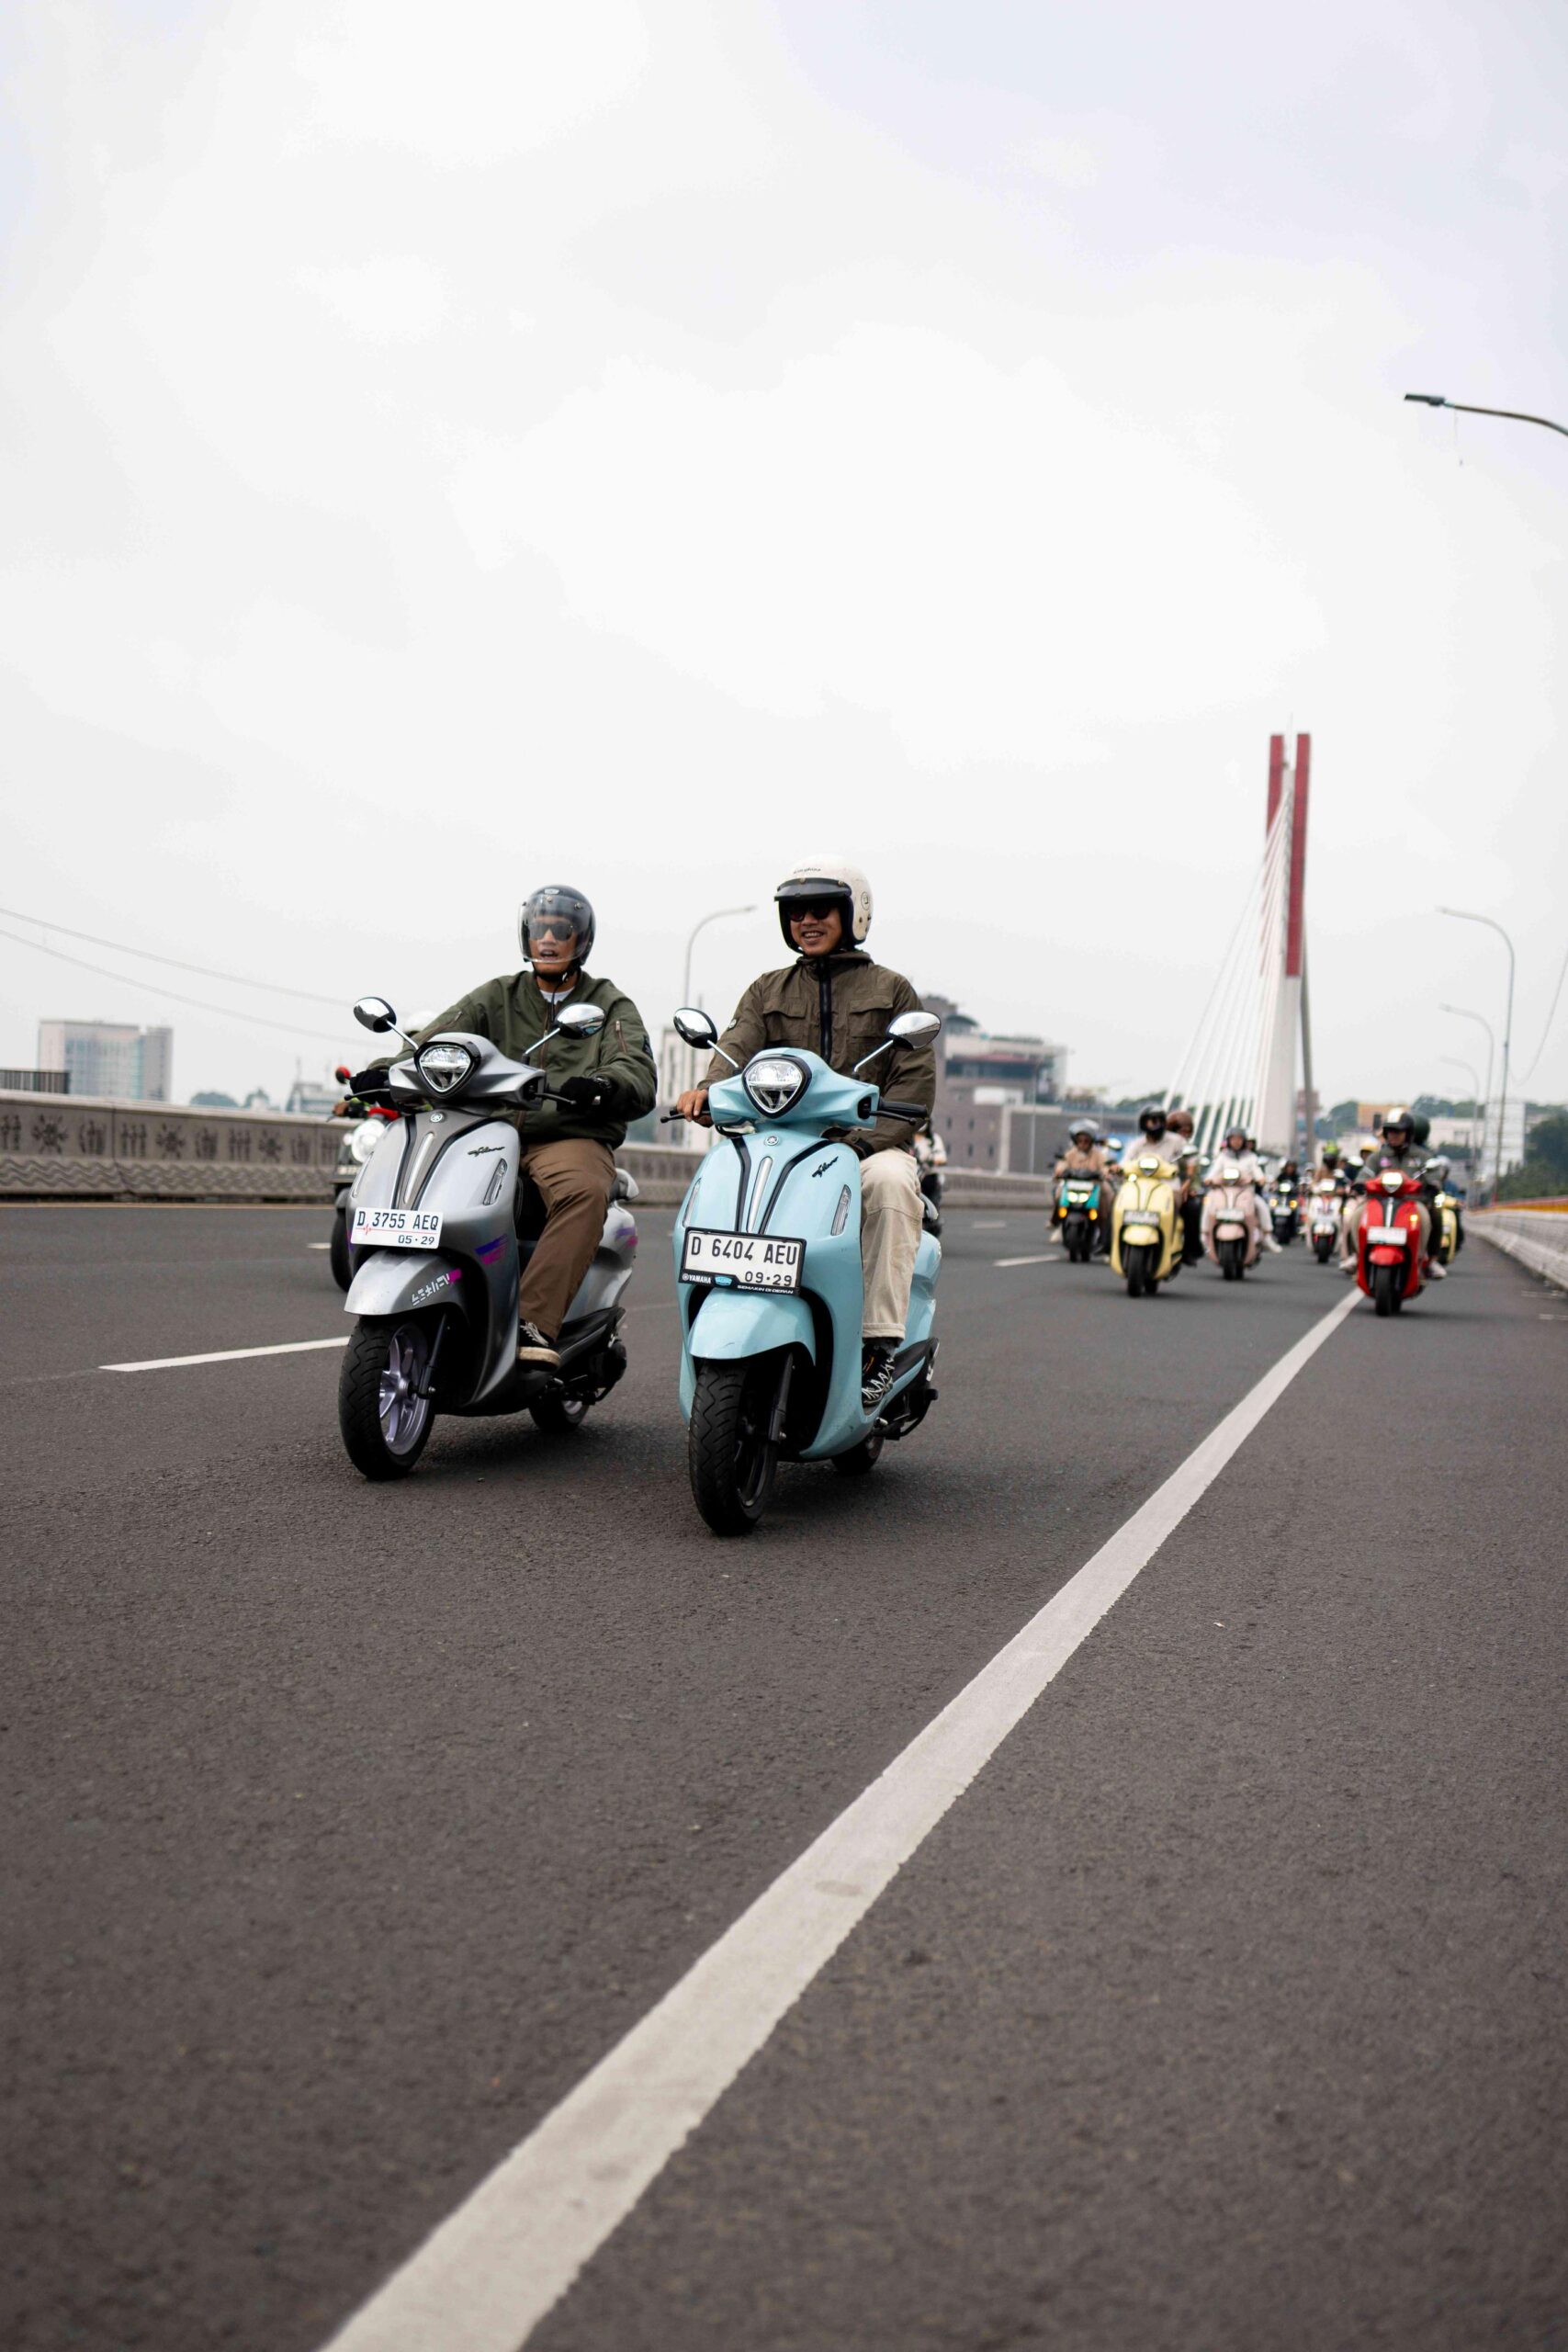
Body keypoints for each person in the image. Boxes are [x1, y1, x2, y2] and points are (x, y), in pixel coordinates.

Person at [673, 860, 935, 1411]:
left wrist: (861, 1143)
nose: (807, 921)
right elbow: (736, 1047)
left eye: (820, 910)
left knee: (890, 1184)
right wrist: (707, 1088)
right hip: (780, 1144)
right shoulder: (768, 990)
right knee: (718, 1181)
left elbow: (914, 1081)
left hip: (865, 1146)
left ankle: (877, 1346)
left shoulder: (891, 990)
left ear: (851, 914)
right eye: (795, 913)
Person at [369, 887, 657, 1365]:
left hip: (566, 1133)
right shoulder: (497, 995)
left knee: (584, 1192)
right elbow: (433, 1041)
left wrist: (603, 1084)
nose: (547, 938)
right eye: (538, 927)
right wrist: (385, 1070)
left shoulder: (607, 1003)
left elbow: (636, 1069)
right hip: (486, 1130)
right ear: (525, 934)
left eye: (560, 929)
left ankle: (534, 1323)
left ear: (580, 939)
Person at [1340, 1105, 1445, 1278]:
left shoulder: (1422, 1156)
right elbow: (1365, 1173)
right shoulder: (1378, 1156)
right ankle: (1356, 1255)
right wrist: (1359, 1184)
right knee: (1356, 1214)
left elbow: (1434, 1174)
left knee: (1431, 1216)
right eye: (1389, 1131)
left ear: (1408, 1133)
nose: (1393, 1135)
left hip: (1412, 1203)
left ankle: (1427, 1260)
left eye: (1398, 1131)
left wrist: (1433, 1186)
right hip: (1378, 1202)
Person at [1205, 1124, 1278, 1258]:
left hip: (1245, 1192)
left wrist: (1260, 1179)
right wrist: (1209, 1179)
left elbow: (1257, 1171)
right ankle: (1204, 1236)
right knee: (1209, 1206)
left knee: (1262, 1206)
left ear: (1244, 1141)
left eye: (1239, 1139)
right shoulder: (1223, 1157)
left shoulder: (1251, 1157)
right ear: (1228, 1141)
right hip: (1224, 1192)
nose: (1236, 1142)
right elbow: (1214, 1171)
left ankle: (1267, 1236)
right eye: (1233, 1139)